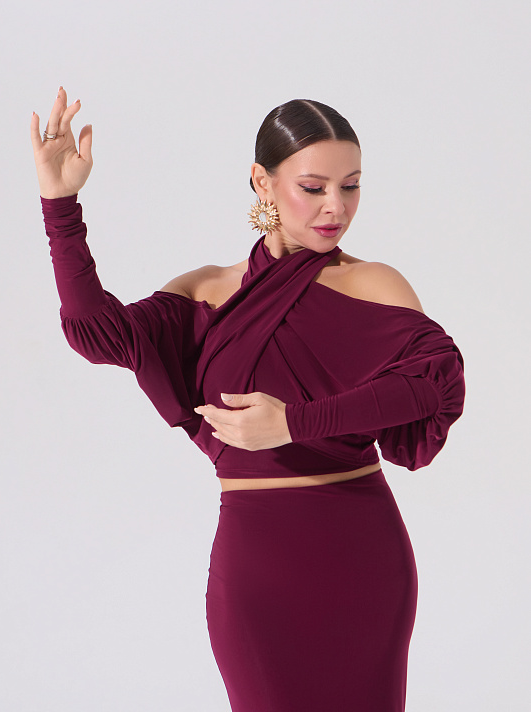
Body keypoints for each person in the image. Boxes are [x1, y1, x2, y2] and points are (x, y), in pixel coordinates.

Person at [30, 87, 466, 712]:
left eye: (351, 186)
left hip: (363, 558)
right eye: (314, 187)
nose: (337, 207)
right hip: (258, 571)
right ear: (262, 181)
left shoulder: (373, 283)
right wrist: (60, 204)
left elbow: (434, 383)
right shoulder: (207, 291)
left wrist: (296, 424)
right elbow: (95, 333)